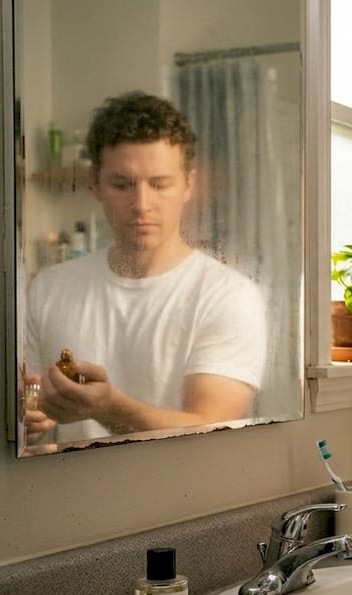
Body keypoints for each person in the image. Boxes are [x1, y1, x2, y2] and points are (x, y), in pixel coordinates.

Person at [23, 90, 267, 447]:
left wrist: (108, 407)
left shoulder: (228, 296)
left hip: (187, 500)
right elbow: (27, 397)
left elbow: (209, 432)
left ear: (188, 184)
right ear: (95, 184)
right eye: (122, 185)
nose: (141, 204)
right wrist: (28, 415)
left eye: (160, 184)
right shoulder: (48, 288)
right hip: (70, 495)